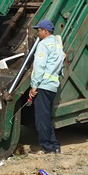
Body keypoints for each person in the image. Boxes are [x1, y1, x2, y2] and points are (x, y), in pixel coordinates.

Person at [28, 19, 64, 154]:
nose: (38, 33)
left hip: (43, 85)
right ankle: (55, 145)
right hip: (53, 86)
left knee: (41, 120)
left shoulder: (44, 45)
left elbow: (39, 67)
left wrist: (33, 86)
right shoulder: (57, 44)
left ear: (45, 31)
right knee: (47, 117)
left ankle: (48, 147)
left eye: (39, 31)